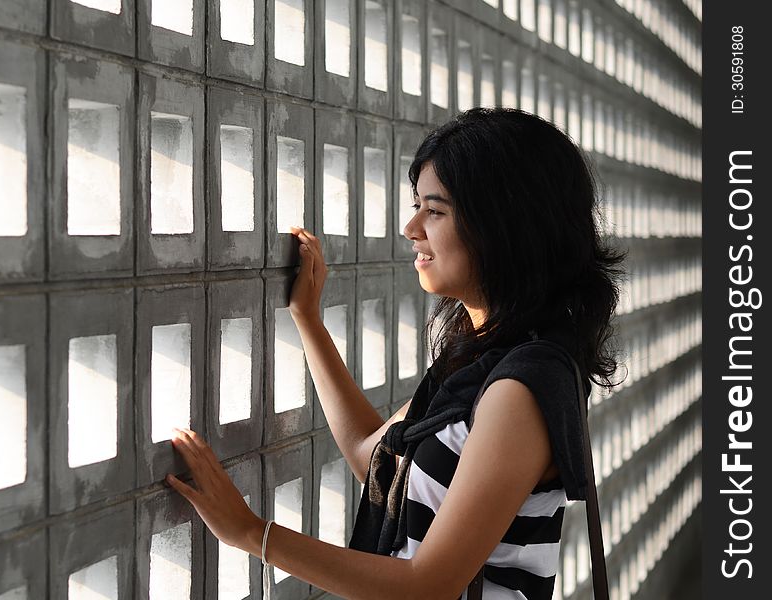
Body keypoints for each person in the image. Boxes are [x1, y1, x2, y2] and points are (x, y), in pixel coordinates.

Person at [166, 107, 626, 599]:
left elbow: (428, 586)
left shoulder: (521, 388)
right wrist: (308, 320)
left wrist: (251, 533)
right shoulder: (480, 360)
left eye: (435, 210)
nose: (411, 227)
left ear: (504, 226)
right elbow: (378, 460)